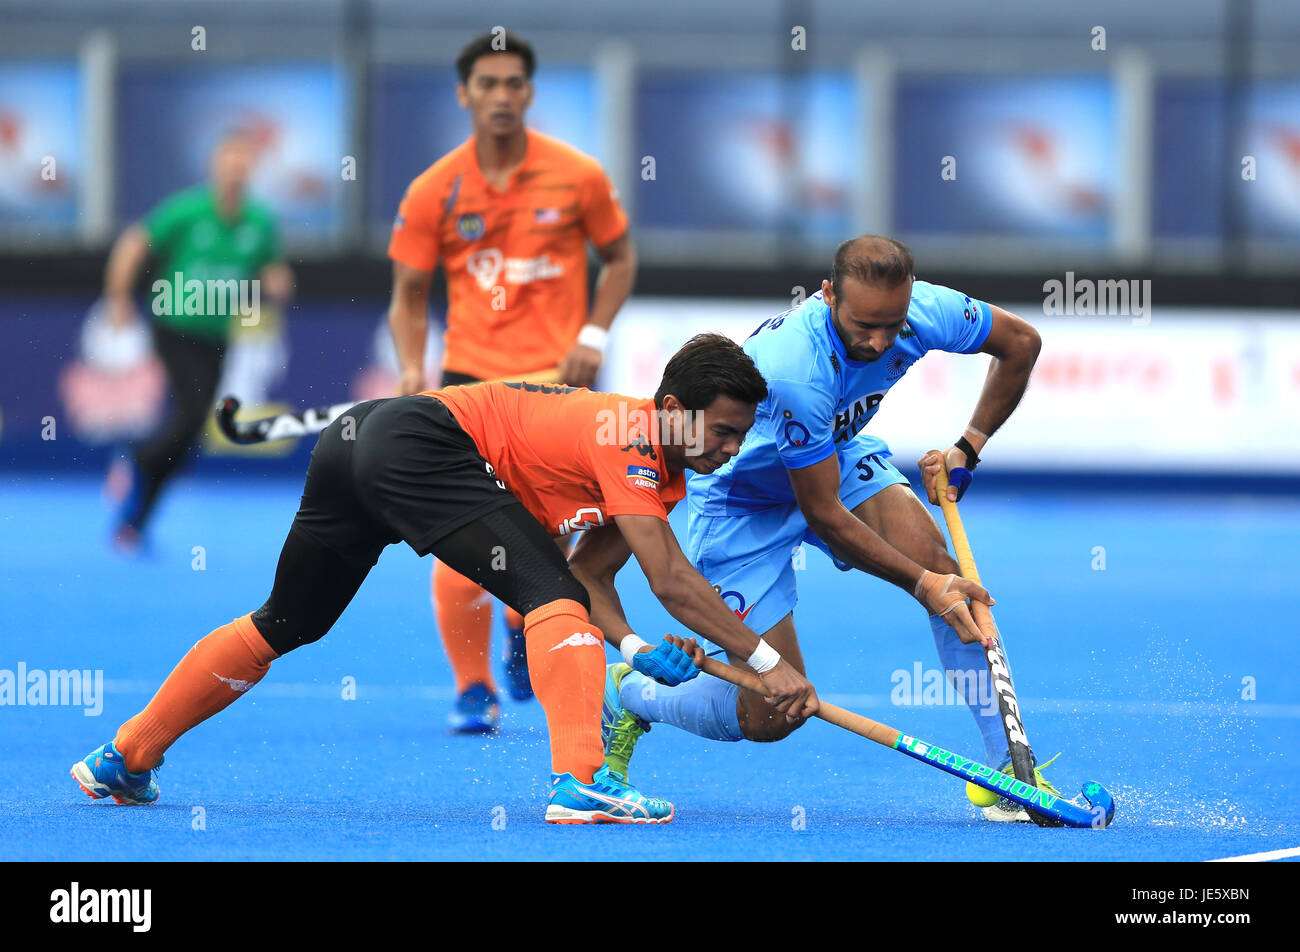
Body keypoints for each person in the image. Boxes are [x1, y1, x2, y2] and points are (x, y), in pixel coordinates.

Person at [71, 335, 823, 825]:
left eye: (739, 434)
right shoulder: (628, 438)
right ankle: (581, 782)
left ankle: (126, 756)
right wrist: (768, 663)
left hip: (355, 441)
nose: (729, 448)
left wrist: (626, 647)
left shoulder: (655, 470)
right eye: (720, 431)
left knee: (288, 622)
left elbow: (589, 573)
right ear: (670, 411)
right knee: (547, 603)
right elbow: (674, 581)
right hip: (417, 442)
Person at [572, 235, 1057, 821]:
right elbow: (824, 511)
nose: (878, 343)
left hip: (835, 456)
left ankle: (1008, 772)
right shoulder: (797, 368)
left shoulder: (925, 310)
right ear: (828, 296)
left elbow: (1021, 343)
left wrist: (967, 447)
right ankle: (631, 696)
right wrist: (919, 582)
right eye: (862, 326)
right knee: (772, 714)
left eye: (892, 324)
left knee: (950, 577)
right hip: (738, 504)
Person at [386, 31, 635, 730]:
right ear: (464, 94)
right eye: (487, 84)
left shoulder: (578, 175)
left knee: (553, 534)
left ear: (529, 92)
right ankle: (473, 688)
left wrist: (593, 334)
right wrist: (412, 368)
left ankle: (528, 624)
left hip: (562, 387)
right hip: (471, 386)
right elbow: (407, 293)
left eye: (514, 84)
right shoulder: (435, 188)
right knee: (454, 535)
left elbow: (618, 258)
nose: (501, 96)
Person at [103, 129, 293, 552]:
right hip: (174, 328)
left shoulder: (260, 221)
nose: (235, 174)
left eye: (243, 166)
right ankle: (136, 461)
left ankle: (133, 521)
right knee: (190, 416)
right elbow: (134, 243)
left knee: (191, 434)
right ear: (214, 168)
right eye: (229, 165)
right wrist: (118, 296)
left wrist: (278, 282)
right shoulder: (186, 211)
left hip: (217, 335)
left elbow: (271, 269)